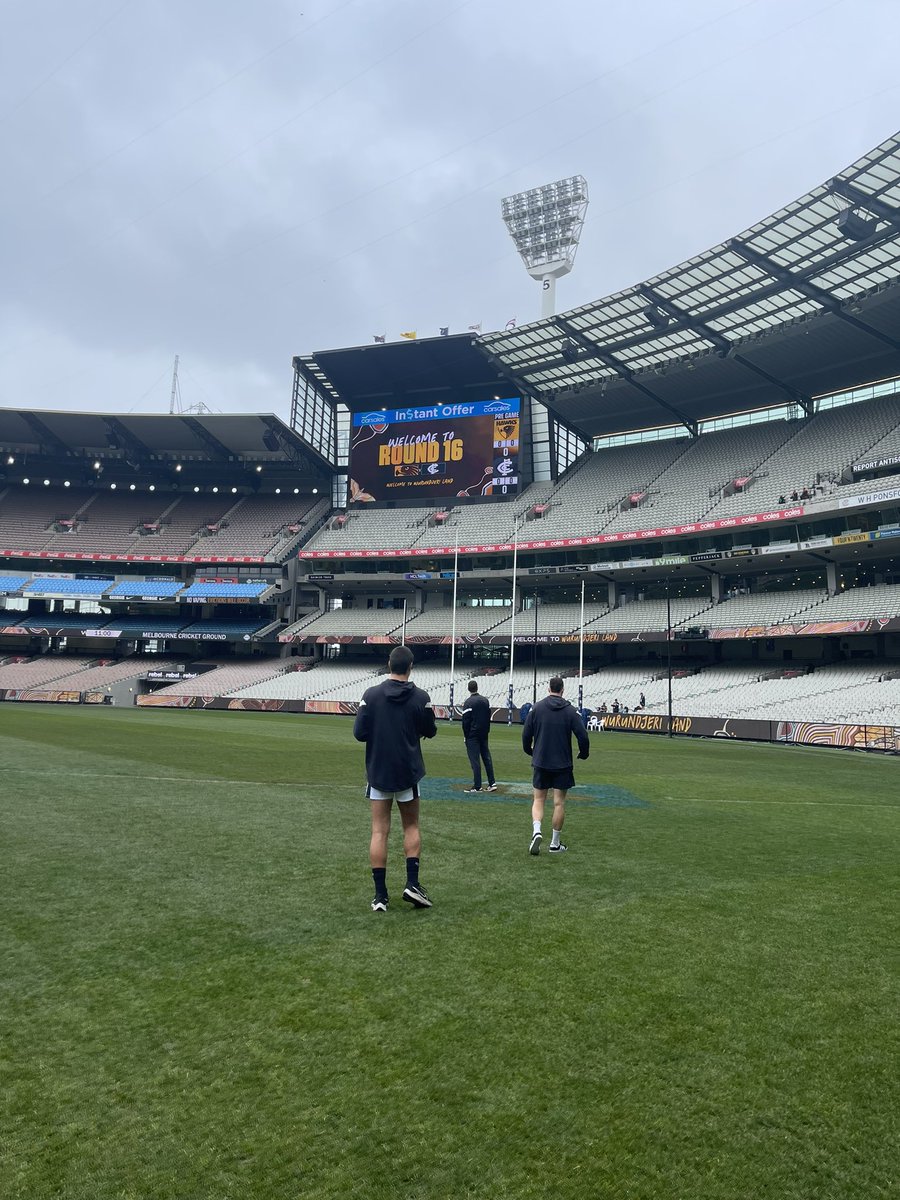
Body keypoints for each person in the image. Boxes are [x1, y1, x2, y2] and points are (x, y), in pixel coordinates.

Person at [353, 644, 436, 912]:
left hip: (378, 769)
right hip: (408, 769)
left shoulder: (371, 695)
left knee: (379, 830)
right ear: (410, 667)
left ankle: (380, 896)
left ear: (389, 664)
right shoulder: (421, 697)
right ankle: (412, 884)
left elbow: (359, 733)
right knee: (411, 826)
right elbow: (430, 730)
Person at [522, 676, 590, 856]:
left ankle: (537, 830)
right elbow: (582, 735)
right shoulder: (570, 711)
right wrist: (583, 753)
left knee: (538, 800)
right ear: (563, 690)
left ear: (548, 689)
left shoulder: (536, 708)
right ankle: (554, 843)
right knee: (559, 803)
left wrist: (530, 751)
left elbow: (525, 734)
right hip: (562, 763)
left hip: (541, 760)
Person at [461, 680, 497, 793]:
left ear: (468, 689)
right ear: (477, 688)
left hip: (472, 735)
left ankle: (477, 786)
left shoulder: (468, 702)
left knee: (475, 760)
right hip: (484, 733)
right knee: (487, 758)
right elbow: (488, 716)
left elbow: (465, 721)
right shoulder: (485, 701)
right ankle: (492, 783)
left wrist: (466, 735)